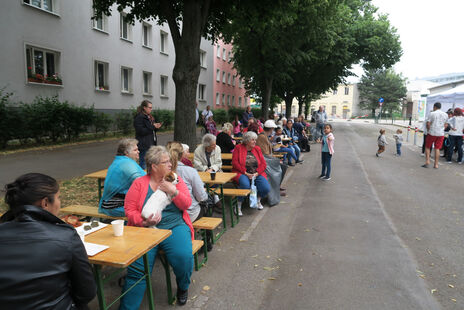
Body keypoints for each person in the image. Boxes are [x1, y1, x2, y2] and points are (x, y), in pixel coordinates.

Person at [0, 173, 96, 310]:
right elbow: (86, 292)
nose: (59, 203)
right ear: (45, 203)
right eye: (58, 198)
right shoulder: (66, 236)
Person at [121, 146, 194, 308]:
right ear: (154, 166)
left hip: (173, 226)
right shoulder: (139, 183)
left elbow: (187, 204)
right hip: (145, 230)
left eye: (170, 161)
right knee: (137, 270)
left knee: (183, 257)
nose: (170, 164)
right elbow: (130, 210)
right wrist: (143, 222)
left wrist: (173, 191)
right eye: (166, 162)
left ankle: (183, 287)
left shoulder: (175, 179)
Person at [167, 142, 214, 251]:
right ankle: (207, 243)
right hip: (186, 213)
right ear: (182, 154)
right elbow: (201, 197)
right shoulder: (189, 171)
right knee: (207, 204)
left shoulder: (162, 170)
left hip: (168, 213)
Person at [99, 139, 146, 217]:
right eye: (135, 150)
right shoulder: (126, 163)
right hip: (114, 206)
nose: (139, 151)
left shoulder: (121, 161)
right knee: (150, 210)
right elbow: (142, 182)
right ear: (126, 153)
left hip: (114, 202)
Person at [232, 131, 270, 215]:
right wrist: (245, 173)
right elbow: (235, 163)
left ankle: (257, 200)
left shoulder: (257, 149)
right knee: (245, 185)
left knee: (266, 188)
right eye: (253, 140)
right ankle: (238, 205)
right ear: (247, 141)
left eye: (255, 140)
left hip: (256, 173)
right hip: (242, 172)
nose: (255, 142)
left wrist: (257, 173)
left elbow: (263, 164)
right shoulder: (238, 148)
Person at [257, 120, 287, 198]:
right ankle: (275, 190)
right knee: (281, 168)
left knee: (282, 166)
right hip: (264, 161)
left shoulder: (264, 136)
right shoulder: (262, 137)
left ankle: (276, 188)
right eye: (273, 129)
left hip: (267, 160)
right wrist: (274, 159)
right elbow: (264, 153)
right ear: (271, 129)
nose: (273, 130)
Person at [134, 100, 162, 169]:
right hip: (144, 145)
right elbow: (141, 131)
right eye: (149, 107)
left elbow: (151, 130)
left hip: (151, 143)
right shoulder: (139, 117)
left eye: (151, 108)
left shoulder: (150, 117)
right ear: (144, 108)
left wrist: (156, 127)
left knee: (151, 163)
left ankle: (149, 177)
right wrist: (153, 127)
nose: (151, 109)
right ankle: (142, 178)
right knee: (143, 163)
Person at [422, 102, 448, 169]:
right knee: (437, 148)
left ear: (434, 107)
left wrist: (428, 130)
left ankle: (427, 161)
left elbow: (428, 123)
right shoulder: (445, 114)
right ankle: (436, 164)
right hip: (441, 134)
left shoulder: (432, 113)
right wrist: (442, 129)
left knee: (427, 147)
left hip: (432, 132)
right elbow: (446, 125)